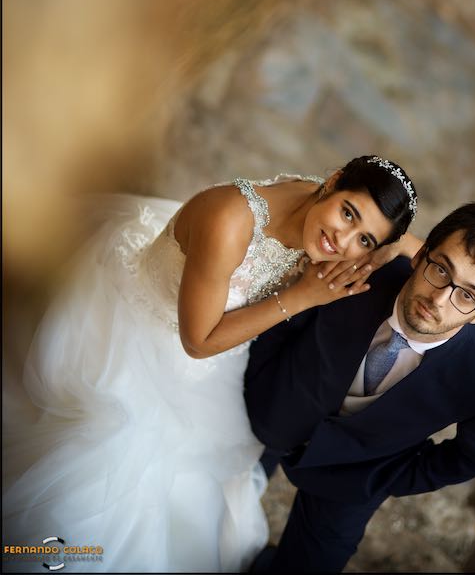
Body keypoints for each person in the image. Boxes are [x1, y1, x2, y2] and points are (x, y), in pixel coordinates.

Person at [2, 155, 417, 574]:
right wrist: (302, 297)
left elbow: (419, 248)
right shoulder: (229, 219)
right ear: (334, 181)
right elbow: (198, 343)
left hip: (218, 359)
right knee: (117, 465)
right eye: (348, 213)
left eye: (365, 240)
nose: (342, 241)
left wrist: (402, 247)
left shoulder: (326, 212)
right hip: (147, 331)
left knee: (206, 476)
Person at [245, 198, 475, 574]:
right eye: (441, 269)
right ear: (420, 255)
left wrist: (387, 475)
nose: (439, 298)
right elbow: (283, 322)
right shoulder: (357, 266)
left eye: (467, 296)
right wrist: (262, 383)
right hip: (282, 407)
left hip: (354, 475)